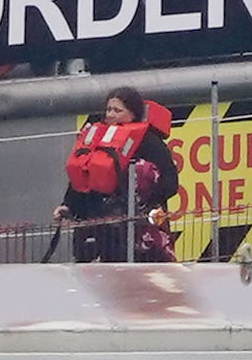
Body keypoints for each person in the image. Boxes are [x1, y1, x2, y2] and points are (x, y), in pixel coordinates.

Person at [54, 86, 179, 262]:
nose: (110, 115)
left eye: (117, 110)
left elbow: (170, 183)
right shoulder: (96, 140)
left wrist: (138, 201)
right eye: (108, 109)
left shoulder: (150, 143)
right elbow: (83, 176)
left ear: (133, 114)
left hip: (139, 230)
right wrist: (68, 205)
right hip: (99, 227)